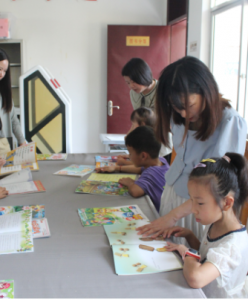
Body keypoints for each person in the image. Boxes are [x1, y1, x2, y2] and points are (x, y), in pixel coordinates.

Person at [136, 56, 247, 242]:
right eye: (177, 107)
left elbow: (219, 185)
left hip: (200, 207)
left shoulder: (230, 122)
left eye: (189, 106)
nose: (184, 114)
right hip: (172, 193)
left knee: (191, 260)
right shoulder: (178, 114)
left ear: (206, 90)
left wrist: (173, 216)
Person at [164, 153, 248, 298]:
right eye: (192, 200)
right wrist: (189, 235)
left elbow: (196, 278)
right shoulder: (216, 223)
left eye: (200, 203)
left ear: (227, 203)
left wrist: (187, 251)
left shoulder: (233, 245)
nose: (194, 209)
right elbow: (207, 256)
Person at [96, 126, 169, 212]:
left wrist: (130, 183)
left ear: (143, 156)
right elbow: (139, 169)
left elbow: (135, 191)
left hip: (160, 214)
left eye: (130, 153)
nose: (129, 157)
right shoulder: (161, 161)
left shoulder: (151, 174)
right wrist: (117, 168)